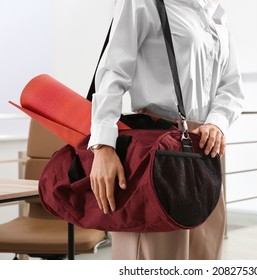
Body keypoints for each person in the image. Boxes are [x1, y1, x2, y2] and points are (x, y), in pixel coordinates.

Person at [88, 0, 244, 260]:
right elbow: (113, 72)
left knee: (204, 255)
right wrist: (103, 146)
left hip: (206, 153)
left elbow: (232, 86)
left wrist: (217, 122)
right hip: (158, 149)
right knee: (154, 256)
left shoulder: (215, 10)